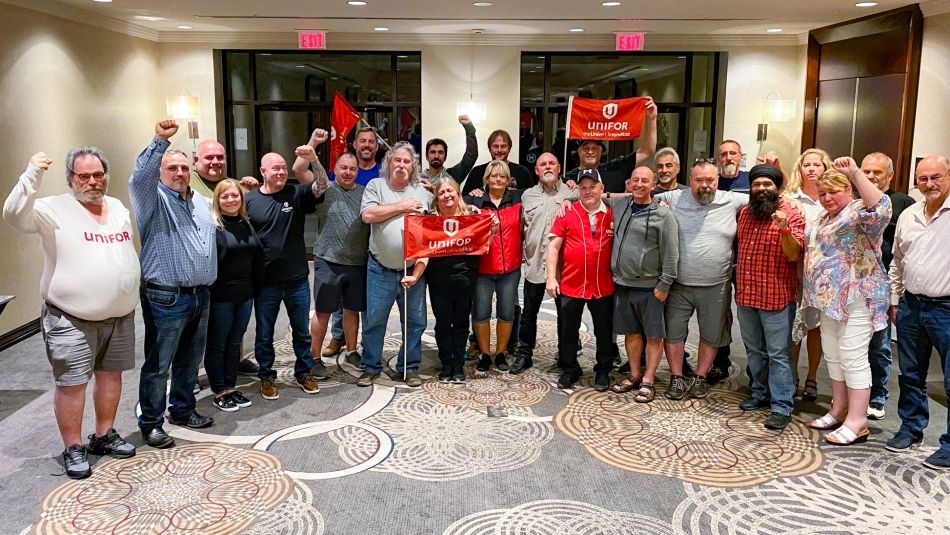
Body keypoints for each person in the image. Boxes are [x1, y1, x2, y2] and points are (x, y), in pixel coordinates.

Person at [4, 148, 139, 478]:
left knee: (111, 378)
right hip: (71, 317)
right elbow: (13, 215)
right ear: (71, 179)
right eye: (84, 176)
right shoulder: (52, 208)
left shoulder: (118, 207)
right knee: (72, 384)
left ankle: (104, 435)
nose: (92, 181)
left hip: (119, 316)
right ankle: (73, 446)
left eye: (98, 175)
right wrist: (31, 174)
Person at [131, 120, 217, 448]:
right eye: (172, 167)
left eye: (183, 167)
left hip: (200, 295)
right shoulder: (150, 198)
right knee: (158, 364)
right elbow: (139, 176)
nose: (179, 172)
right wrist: (159, 142)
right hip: (166, 297)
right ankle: (151, 421)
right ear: (160, 171)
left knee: (188, 361)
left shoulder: (196, 199)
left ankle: (182, 409)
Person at [803, 157, 891, 446]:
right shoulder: (821, 217)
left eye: (833, 192)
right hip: (829, 301)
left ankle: (858, 421)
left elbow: (881, 208)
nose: (827, 198)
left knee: (853, 357)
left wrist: (854, 172)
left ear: (849, 191)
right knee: (834, 354)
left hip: (858, 297)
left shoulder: (858, 211)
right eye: (823, 193)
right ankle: (838, 409)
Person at [655, 160, 748, 400]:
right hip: (679, 284)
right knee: (673, 333)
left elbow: (766, 198)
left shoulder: (732, 199)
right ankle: (677, 377)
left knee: (711, 333)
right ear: (690, 180)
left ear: (717, 181)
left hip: (716, 285)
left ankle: (700, 376)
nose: (704, 185)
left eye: (709, 181)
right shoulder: (675, 197)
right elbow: (640, 195)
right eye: (698, 180)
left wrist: (793, 202)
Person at [886, 154, 950, 469]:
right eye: (923, 178)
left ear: (948, 176)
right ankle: (911, 429)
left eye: (936, 177)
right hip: (911, 304)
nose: (929, 184)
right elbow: (897, 260)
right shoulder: (910, 214)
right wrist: (894, 299)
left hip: (946, 308)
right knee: (911, 373)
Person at [245, 152, 326, 400]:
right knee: (265, 333)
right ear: (263, 172)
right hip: (265, 282)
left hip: (297, 279)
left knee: (301, 331)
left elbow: (322, 185)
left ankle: (304, 372)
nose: (281, 173)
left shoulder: (296, 193)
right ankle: (267, 376)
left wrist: (314, 160)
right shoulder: (248, 200)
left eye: (283, 168)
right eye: (275, 169)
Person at [735, 165, 805, 430]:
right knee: (754, 350)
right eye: (757, 185)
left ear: (778, 188)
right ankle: (759, 392)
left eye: (767, 184)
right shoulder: (745, 214)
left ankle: (782, 405)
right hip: (747, 295)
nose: (762, 189)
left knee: (778, 354)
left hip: (776, 298)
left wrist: (784, 229)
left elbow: (793, 255)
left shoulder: (791, 215)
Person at [358, 142, 433, 387]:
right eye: (397, 160)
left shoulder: (423, 193)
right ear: (389, 163)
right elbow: (368, 215)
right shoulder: (376, 186)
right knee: (375, 320)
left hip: (413, 271)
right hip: (380, 268)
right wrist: (402, 207)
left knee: (415, 321)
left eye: (407, 162)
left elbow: (433, 228)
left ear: (413, 167)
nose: (401, 165)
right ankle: (370, 366)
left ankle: (408, 367)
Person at [189, 139, 262, 378]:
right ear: (196, 160)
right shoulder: (187, 184)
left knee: (232, 332)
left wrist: (252, 191)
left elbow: (246, 216)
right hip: (203, 276)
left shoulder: (234, 186)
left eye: (220, 157)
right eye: (209, 157)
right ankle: (193, 377)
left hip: (238, 279)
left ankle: (235, 365)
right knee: (203, 335)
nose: (215, 162)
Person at [292, 149, 369, 371]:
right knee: (323, 312)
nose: (348, 172)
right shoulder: (326, 189)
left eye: (352, 169)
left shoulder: (365, 193)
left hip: (357, 262)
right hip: (328, 260)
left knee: (352, 310)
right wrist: (315, 158)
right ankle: (315, 357)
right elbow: (305, 173)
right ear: (335, 170)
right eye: (343, 168)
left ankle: (352, 351)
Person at [606, 166, 678, 402]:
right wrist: (567, 199)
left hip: (650, 287)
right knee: (631, 333)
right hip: (623, 284)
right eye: (634, 180)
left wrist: (664, 284)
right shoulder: (621, 205)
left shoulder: (663, 215)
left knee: (654, 335)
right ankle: (635, 374)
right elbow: (593, 195)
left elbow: (671, 253)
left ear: (653, 184)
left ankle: (648, 379)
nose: (638, 184)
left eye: (644, 181)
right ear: (629, 183)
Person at [546, 168, 615, 390]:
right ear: (577, 190)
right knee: (568, 330)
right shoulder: (566, 212)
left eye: (592, 186)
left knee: (604, 331)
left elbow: (635, 195)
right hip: (571, 284)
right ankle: (569, 368)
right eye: (583, 187)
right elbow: (553, 247)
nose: (587, 191)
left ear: (601, 188)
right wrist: (550, 278)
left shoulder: (614, 213)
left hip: (603, 285)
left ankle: (603, 371)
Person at [861, 152, 916, 420]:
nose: (871, 177)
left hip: (883, 286)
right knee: (853, 344)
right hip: (855, 285)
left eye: (877, 172)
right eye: (866, 171)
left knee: (879, 345)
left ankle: (878, 395)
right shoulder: (854, 201)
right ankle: (855, 391)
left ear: (890, 175)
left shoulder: (904, 203)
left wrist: (898, 293)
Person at [510, 152, 575, 374]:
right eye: (542, 164)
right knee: (529, 314)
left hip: (564, 268)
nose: (547, 167)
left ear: (559, 168)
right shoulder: (526, 196)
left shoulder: (573, 193)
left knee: (566, 317)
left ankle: (566, 358)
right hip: (535, 266)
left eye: (551, 163)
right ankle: (524, 354)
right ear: (536, 170)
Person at [323, 126, 382, 358]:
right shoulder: (339, 172)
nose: (367, 145)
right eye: (362, 141)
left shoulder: (382, 174)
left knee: (365, 299)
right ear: (355, 145)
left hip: (371, 247)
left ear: (376, 147)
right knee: (340, 299)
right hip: (341, 247)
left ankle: (367, 341)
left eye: (371, 142)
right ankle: (339, 337)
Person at [205, 179, 263, 412]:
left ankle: (230, 387)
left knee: (233, 343)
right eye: (225, 196)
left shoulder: (245, 222)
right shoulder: (214, 226)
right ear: (217, 201)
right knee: (217, 344)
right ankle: (218, 390)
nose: (230, 200)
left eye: (235, 195)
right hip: (221, 297)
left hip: (244, 295)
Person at [782, 148, 833, 402]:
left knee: (816, 328)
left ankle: (812, 376)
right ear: (799, 170)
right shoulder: (790, 198)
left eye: (817, 164)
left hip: (823, 275)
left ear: (826, 169)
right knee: (793, 326)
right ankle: (791, 376)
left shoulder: (832, 198)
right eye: (807, 165)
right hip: (795, 270)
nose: (811, 169)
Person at [466, 160, 525, 373]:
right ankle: (484, 354)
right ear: (486, 179)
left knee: (506, 312)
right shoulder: (474, 201)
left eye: (502, 176)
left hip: (510, 269)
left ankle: (500, 353)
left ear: (508, 180)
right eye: (493, 175)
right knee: (481, 313)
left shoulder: (518, 199)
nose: (497, 179)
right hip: (482, 268)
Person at [426, 178, 481, 382]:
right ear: (436, 198)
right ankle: (445, 363)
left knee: (460, 323)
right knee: (442, 323)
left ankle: (458, 364)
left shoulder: (472, 217)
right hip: (438, 279)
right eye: (442, 192)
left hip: (465, 278)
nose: (447, 195)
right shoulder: (429, 219)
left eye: (451, 191)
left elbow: (484, 244)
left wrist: (491, 229)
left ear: (458, 195)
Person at [565, 97, 658, 193]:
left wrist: (652, 119)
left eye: (595, 148)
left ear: (601, 151)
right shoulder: (568, 178)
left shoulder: (615, 168)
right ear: (578, 151)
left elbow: (647, 151)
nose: (590, 152)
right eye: (586, 148)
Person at [463, 130, 534, 195]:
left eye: (503, 146)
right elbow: (463, 201)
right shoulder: (477, 172)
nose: (499, 150)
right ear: (489, 148)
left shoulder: (522, 172)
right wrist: (472, 194)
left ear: (509, 148)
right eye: (495, 146)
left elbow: (531, 198)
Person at [422, 115, 478, 183]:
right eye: (433, 152)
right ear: (426, 156)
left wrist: (469, 127)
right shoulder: (418, 179)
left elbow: (471, 156)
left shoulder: (454, 175)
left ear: (445, 157)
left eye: (440, 152)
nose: (436, 156)